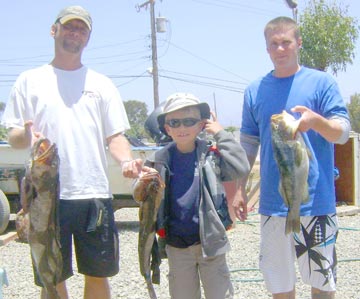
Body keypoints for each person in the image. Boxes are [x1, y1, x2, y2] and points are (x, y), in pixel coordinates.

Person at [1, 6, 143, 299]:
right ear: (54, 30)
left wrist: (127, 160)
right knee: (52, 277)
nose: (75, 34)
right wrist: (25, 134)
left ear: (88, 37)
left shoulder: (101, 84)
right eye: (69, 27)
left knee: (98, 274)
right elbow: (14, 135)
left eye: (81, 29)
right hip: (46, 196)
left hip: (93, 194)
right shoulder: (30, 80)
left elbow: (115, 136)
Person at [236, 16, 351, 299]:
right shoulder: (254, 90)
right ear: (266, 49)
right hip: (273, 206)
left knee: (322, 284)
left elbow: (343, 133)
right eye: (273, 44)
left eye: (286, 42)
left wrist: (315, 122)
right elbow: (248, 144)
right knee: (280, 285)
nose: (280, 49)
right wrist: (237, 188)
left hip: (318, 202)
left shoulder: (322, 82)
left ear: (298, 43)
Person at [139, 92, 250, 299]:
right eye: (175, 122)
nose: (182, 128)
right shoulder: (157, 161)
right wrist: (138, 177)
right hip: (177, 247)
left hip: (211, 244)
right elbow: (142, 198)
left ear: (201, 125)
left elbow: (241, 166)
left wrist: (221, 133)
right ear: (167, 128)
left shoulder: (212, 157)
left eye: (189, 121)